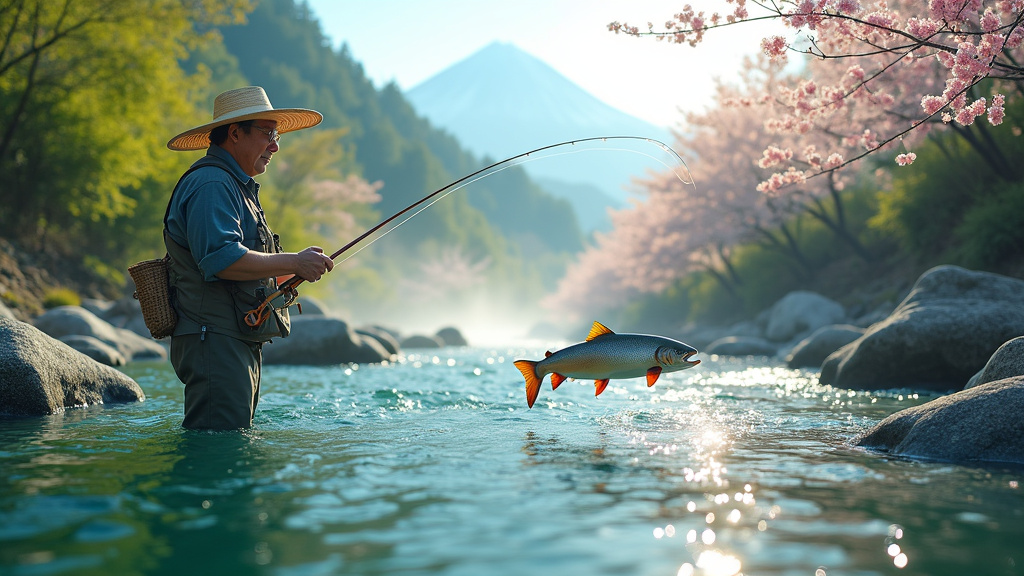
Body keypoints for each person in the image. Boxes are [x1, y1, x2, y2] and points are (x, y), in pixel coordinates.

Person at [164, 86, 334, 430]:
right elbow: (221, 259)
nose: (275, 145)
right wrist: (294, 262)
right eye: (267, 134)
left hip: (228, 337)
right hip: (213, 338)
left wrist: (288, 273)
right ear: (235, 134)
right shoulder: (212, 183)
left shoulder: (232, 184)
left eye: (277, 135)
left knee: (228, 443)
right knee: (218, 450)